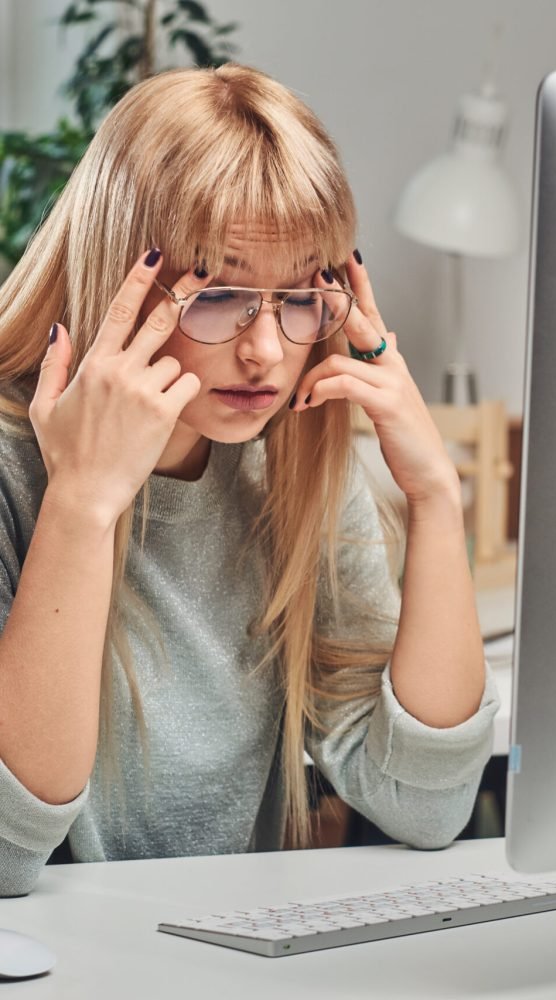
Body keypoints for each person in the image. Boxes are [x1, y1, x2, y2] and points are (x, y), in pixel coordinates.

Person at [0, 63, 499, 897]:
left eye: (302, 297)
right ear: (116, 278)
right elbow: (6, 857)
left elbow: (427, 805)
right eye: (220, 292)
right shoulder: (13, 467)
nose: (266, 351)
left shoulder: (290, 461)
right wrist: (82, 505)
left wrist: (436, 499)